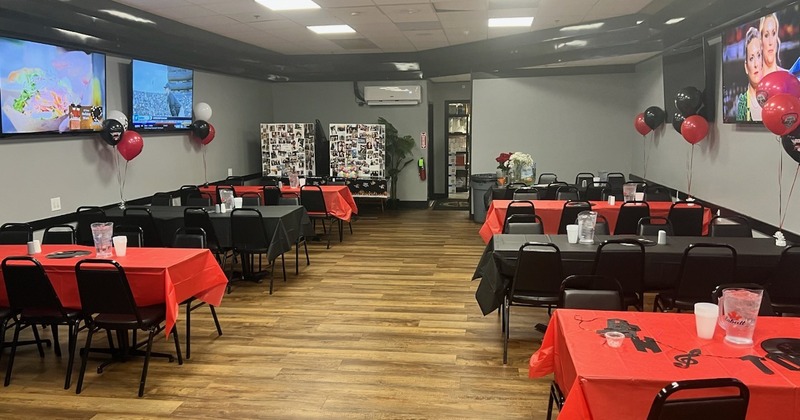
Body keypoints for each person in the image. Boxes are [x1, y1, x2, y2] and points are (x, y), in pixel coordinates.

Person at [737, 27, 763, 121]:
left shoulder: (774, 98)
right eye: (751, 58)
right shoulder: (742, 103)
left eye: (759, 55)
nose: (756, 64)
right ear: (746, 67)